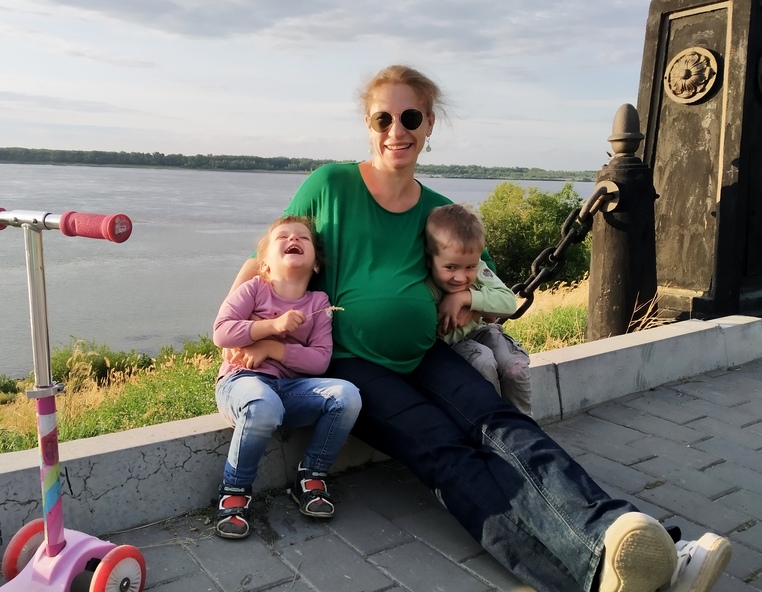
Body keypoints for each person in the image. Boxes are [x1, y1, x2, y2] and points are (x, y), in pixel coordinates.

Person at [229, 65, 731, 590]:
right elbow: (263, 262)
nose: (396, 130)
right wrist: (238, 333)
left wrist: (465, 296)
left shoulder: (439, 212)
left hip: (426, 352)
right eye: (383, 119)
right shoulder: (331, 185)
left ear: (428, 125)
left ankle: (619, 536)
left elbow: (491, 289)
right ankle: (598, 573)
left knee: (502, 424)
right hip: (351, 362)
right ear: (368, 124)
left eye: (410, 117)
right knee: (445, 451)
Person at [212, 215, 361, 539]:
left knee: (347, 396)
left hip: (290, 390)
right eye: (283, 237)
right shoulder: (255, 289)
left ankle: (311, 475)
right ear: (264, 264)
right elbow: (221, 332)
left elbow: (320, 361)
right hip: (243, 383)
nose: (293, 239)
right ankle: (234, 488)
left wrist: (273, 348)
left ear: (316, 264)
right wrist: (271, 327)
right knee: (263, 405)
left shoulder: (319, 303)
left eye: (303, 238)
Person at [424, 203, 533, 416]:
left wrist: (465, 298)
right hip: (452, 345)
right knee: (482, 361)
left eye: (470, 267)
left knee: (515, 366)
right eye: (450, 267)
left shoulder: (479, 267)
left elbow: (508, 303)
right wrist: (477, 309)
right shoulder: (426, 285)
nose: (460, 277)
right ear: (430, 259)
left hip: (481, 332)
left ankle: (525, 422)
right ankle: (494, 420)